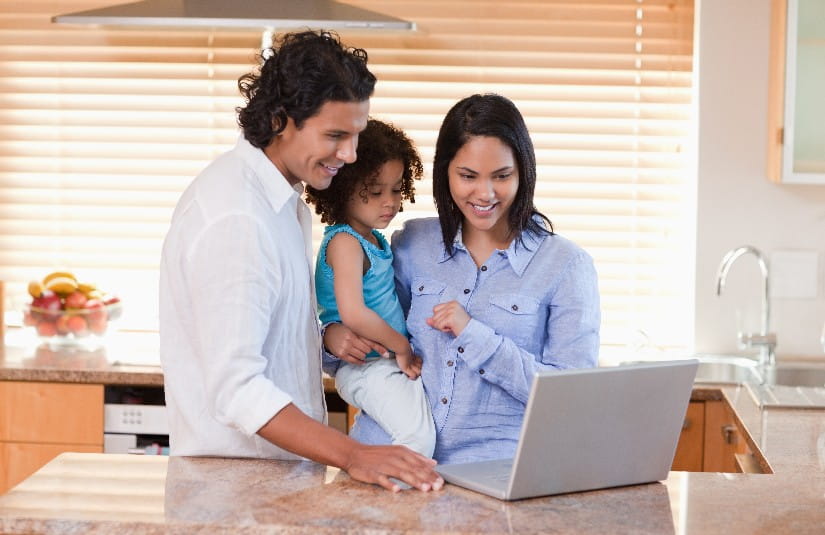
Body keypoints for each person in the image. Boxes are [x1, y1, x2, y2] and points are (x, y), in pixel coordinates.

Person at [159, 29, 442, 493]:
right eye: (335, 135)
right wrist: (354, 454)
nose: (349, 155)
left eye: (355, 136)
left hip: (278, 481)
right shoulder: (237, 218)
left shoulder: (283, 200)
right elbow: (237, 390)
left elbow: (270, 331)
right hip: (237, 494)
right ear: (279, 120)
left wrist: (327, 337)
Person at [324, 94, 600, 464]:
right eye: (468, 176)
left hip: (491, 477)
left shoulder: (566, 266)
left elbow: (572, 400)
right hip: (382, 462)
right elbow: (373, 336)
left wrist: (475, 335)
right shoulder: (410, 244)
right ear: (446, 173)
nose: (484, 194)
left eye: (501, 176)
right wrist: (331, 338)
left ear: (524, 172)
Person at [305, 119, 435, 458]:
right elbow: (354, 313)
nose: (389, 202)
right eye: (375, 192)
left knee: (417, 432)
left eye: (396, 189)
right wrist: (401, 346)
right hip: (366, 366)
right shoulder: (346, 242)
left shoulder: (371, 238)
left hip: (379, 363)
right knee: (417, 439)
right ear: (343, 188)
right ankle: (397, 502)